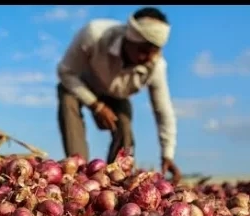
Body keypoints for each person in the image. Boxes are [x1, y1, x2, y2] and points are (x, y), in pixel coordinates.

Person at [56, 6, 182, 184]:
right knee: (67, 98)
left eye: (154, 51)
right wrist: (96, 105)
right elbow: (65, 72)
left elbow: (163, 111)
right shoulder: (94, 34)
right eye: (143, 50)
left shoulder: (156, 65)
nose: (147, 57)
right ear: (130, 38)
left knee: (124, 128)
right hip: (83, 84)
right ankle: (78, 174)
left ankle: (114, 182)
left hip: (117, 95)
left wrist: (167, 154)